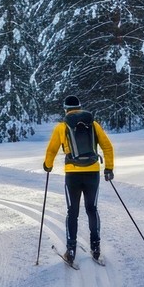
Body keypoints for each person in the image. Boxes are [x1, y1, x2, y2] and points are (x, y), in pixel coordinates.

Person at [43, 95, 114, 264]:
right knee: (92, 209)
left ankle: (71, 250)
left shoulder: (62, 127)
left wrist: (48, 165)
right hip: (92, 173)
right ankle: (96, 248)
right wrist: (109, 168)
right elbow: (107, 146)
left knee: (72, 212)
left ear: (65, 109)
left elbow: (52, 149)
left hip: (72, 174)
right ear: (80, 107)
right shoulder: (93, 125)